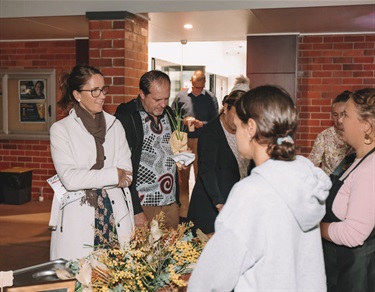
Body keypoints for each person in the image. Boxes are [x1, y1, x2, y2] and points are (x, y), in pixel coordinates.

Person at [188, 85, 331, 291]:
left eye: (238, 126)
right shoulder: (304, 179)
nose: (236, 134)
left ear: (251, 128)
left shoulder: (252, 192)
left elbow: (211, 277)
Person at [48, 65, 134, 261]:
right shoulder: (61, 130)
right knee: (81, 278)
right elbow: (70, 179)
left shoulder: (115, 125)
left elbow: (127, 174)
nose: (102, 95)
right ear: (77, 94)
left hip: (114, 212)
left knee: (118, 275)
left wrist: (89, 176)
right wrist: (113, 174)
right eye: (94, 90)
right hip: (78, 213)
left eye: (103, 89)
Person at [320, 88, 375, 292]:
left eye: (346, 115)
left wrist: (314, 227)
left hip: (355, 278)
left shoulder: (371, 168)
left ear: (366, 126)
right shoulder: (356, 160)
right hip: (341, 272)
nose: (340, 121)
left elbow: (354, 234)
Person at [115, 70, 180, 230]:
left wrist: (180, 157)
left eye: (166, 98)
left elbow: (171, 147)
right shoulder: (127, 116)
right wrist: (136, 210)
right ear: (142, 94)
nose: (163, 104)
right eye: (157, 99)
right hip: (143, 203)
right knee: (145, 253)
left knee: (173, 252)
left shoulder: (169, 113)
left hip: (170, 201)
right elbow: (122, 166)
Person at [187, 90, 252, 235]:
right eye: (236, 114)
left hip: (236, 202)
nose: (239, 121)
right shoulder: (210, 132)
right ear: (226, 108)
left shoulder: (246, 132)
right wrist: (218, 202)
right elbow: (206, 170)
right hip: (212, 204)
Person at [172, 70, 218, 218]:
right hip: (183, 141)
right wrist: (184, 121)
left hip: (203, 142)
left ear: (204, 83)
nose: (198, 90)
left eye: (200, 87)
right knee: (182, 179)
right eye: (195, 87)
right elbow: (172, 117)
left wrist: (201, 123)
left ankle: (200, 213)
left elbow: (215, 122)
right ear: (191, 82)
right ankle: (183, 214)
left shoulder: (211, 98)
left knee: (201, 177)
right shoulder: (181, 96)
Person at [308, 90, 353, 175]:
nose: (339, 120)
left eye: (343, 114)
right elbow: (312, 163)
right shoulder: (324, 136)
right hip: (330, 184)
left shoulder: (358, 134)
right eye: (335, 115)